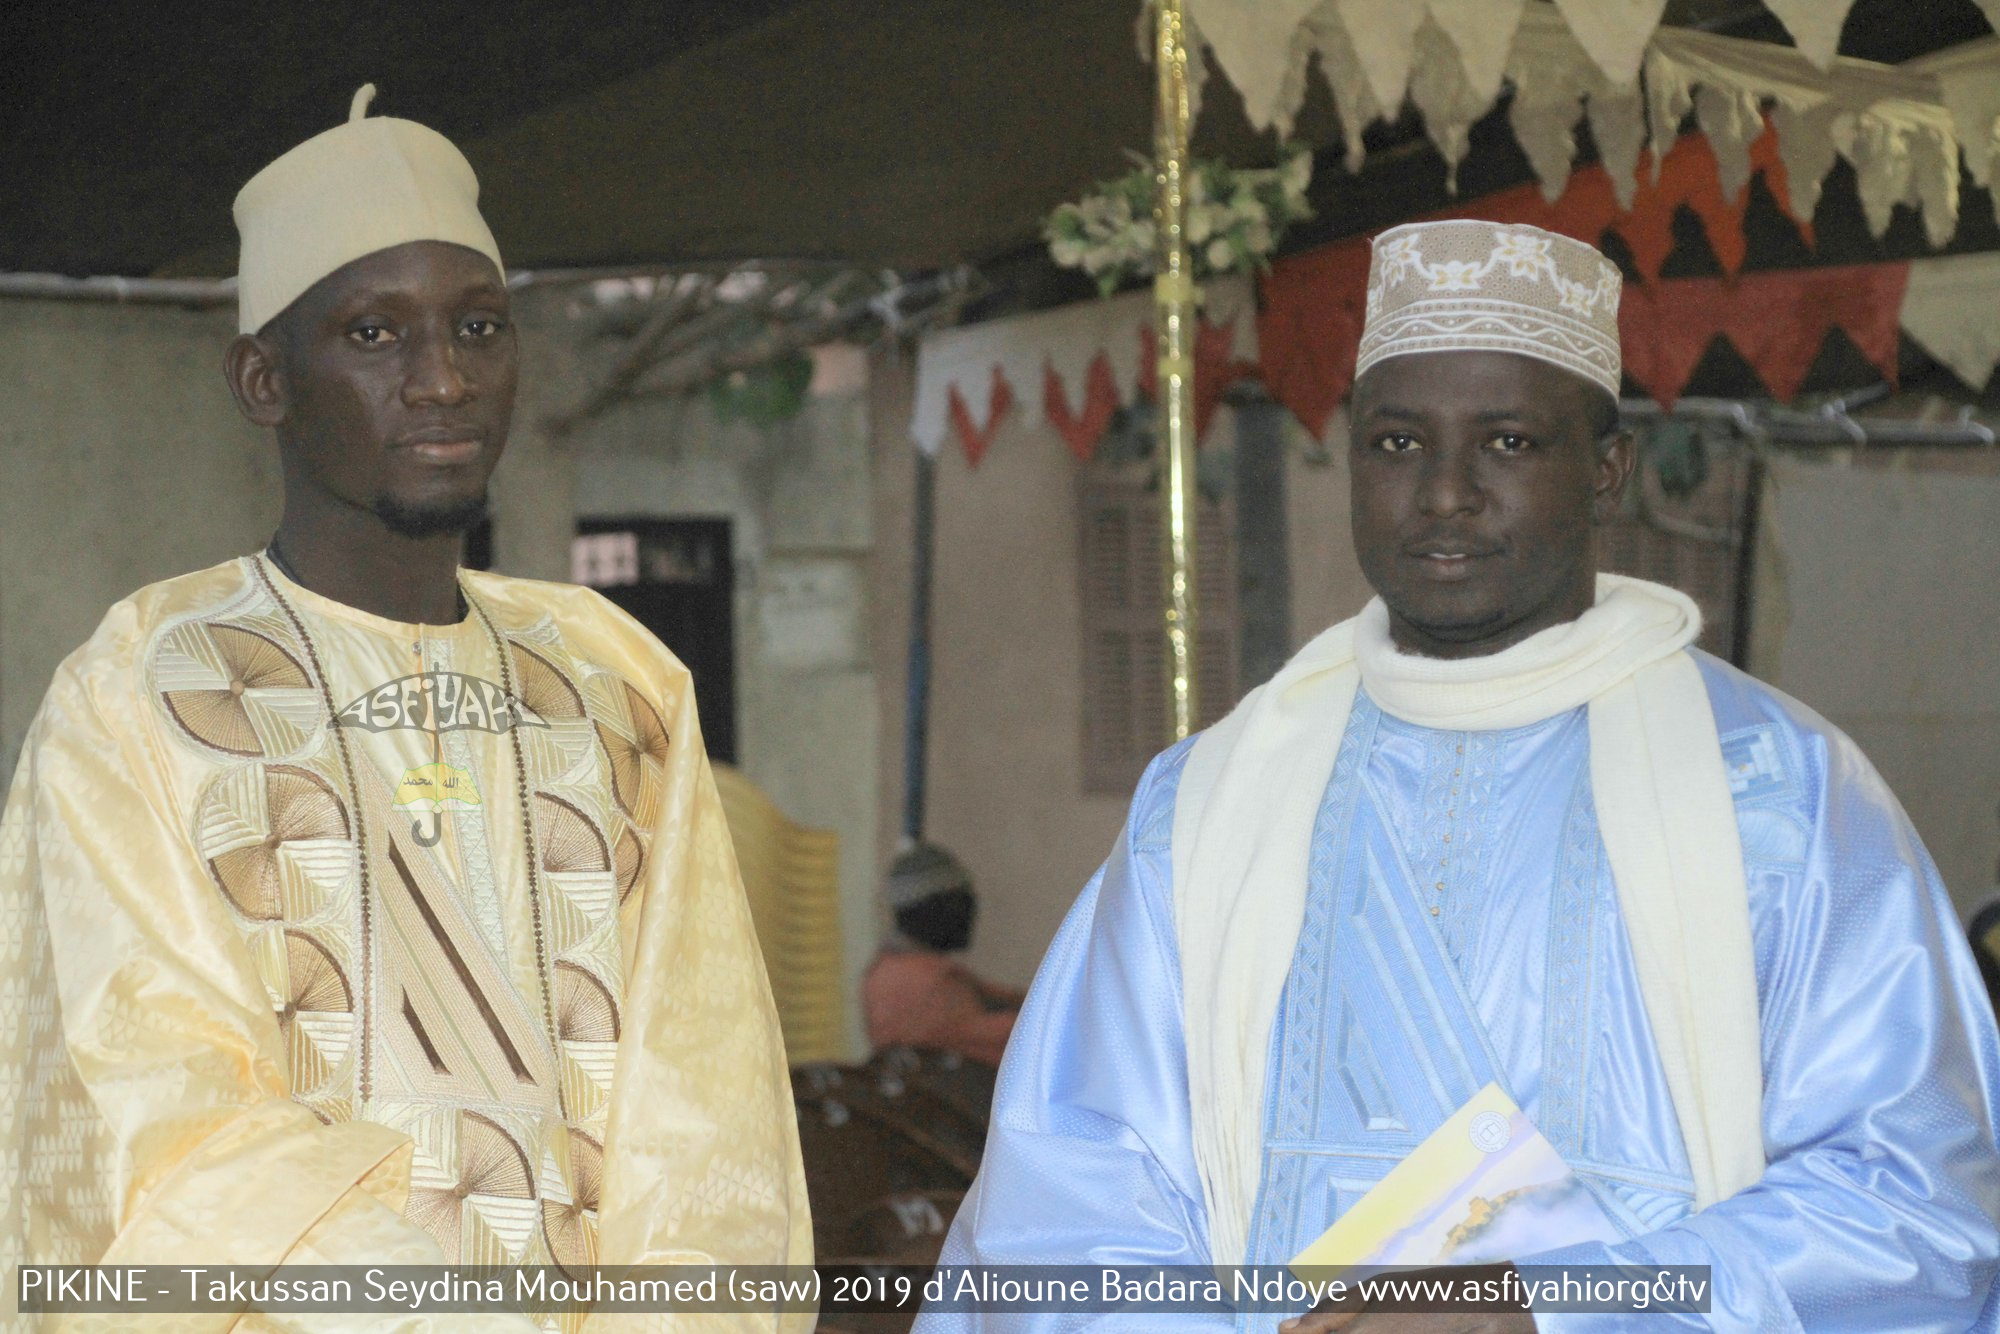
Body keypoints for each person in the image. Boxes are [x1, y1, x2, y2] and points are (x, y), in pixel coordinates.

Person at [919, 220, 2000, 1331]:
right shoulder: (1199, 808)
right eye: (1395, 443)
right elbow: (1069, 1212)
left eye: (1508, 443)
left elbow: (1914, 1206)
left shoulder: (1778, 792)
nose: (1443, 493)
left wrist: (1545, 1308)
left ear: (1606, 470)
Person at [0, 86, 810, 1316]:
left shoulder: (616, 677)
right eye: (376, 336)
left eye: (479, 327)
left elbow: (703, 1095)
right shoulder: (143, 687)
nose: (443, 380)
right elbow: (159, 1110)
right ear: (264, 378)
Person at [861, 841, 1024, 1068]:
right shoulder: (924, 979)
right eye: (961, 903)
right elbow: (998, 1041)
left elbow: (1001, 997)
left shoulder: (889, 968)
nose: (970, 916)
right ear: (928, 909)